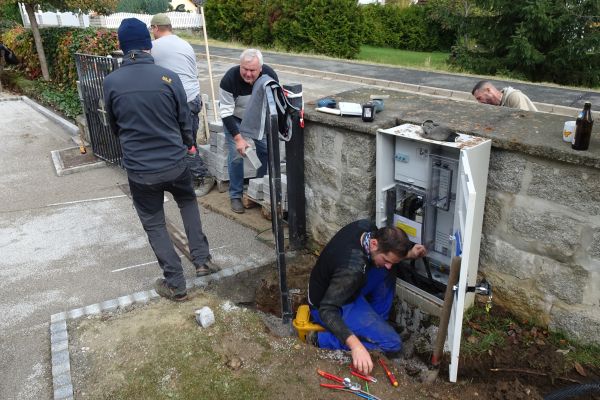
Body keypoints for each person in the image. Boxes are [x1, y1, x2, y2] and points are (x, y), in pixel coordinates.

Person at [103, 18, 218, 301]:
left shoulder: (111, 82)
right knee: (187, 201)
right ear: (148, 44)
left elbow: (114, 126)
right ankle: (202, 260)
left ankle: (176, 284)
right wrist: (188, 145)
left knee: (154, 223)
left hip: (141, 170)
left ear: (122, 46)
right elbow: (184, 120)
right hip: (175, 162)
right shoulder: (168, 77)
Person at [308, 219, 427, 375]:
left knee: (386, 270)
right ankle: (321, 339)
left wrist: (409, 253)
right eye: (386, 259)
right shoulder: (352, 269)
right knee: (392, 344)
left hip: (343, 287)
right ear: (374, 244)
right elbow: (327, 310)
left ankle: (376, 325)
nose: (388, 264)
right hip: (329, 304)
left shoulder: (367, 228)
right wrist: (356, 346)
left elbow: (386, 259)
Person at [219, 49, 278, 213]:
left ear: (260, 68)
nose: (248, 74)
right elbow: (225, 112)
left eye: (252, 70)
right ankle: (235, 195)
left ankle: (256, 189)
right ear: (240, 65)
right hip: (235, 118)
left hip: (257, 118)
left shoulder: (269, 76)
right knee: (236, 155)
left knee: (265, 150)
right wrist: (239, 139)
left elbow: (273, 103)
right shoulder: (229, 79)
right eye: (245, 69)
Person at [150, 13, 202, 145]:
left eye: (152, 29)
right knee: (191, 144)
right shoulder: (185, 44)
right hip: (193, 97)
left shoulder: (153, 47)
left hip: (176, 101)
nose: (152, 32)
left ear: (156, 27)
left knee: (175, 145)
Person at [471, 80, 538, 112]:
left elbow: (522, 121)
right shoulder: (493, 105)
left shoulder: (514, 96)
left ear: (488, 90)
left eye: (479, 98)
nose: (479, 102)